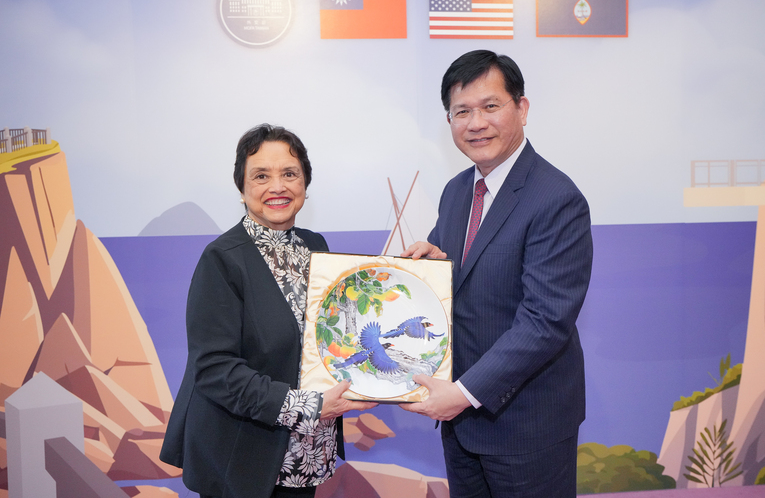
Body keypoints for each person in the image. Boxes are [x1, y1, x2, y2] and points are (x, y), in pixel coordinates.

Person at [401, 50, 593, 497]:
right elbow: (465, 282)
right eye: (461, 111)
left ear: (521, 109)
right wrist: (431, 268)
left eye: (491, 106)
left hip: (527, 426)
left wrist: (464, 392)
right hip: (462, 423)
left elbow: (545, 322)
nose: (475, 122)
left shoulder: (556, 198)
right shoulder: (455, 192)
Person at [160, 124, 376, 498]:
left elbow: (338, 325)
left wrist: (408, 273)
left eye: (289, 174)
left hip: (304, 454)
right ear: (242, 190)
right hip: (244, 459)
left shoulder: (314, 244)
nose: (277, 187)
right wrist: (309, 406)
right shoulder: (221, 259)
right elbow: (214, 369)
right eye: (261, 176)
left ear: (305, 185)